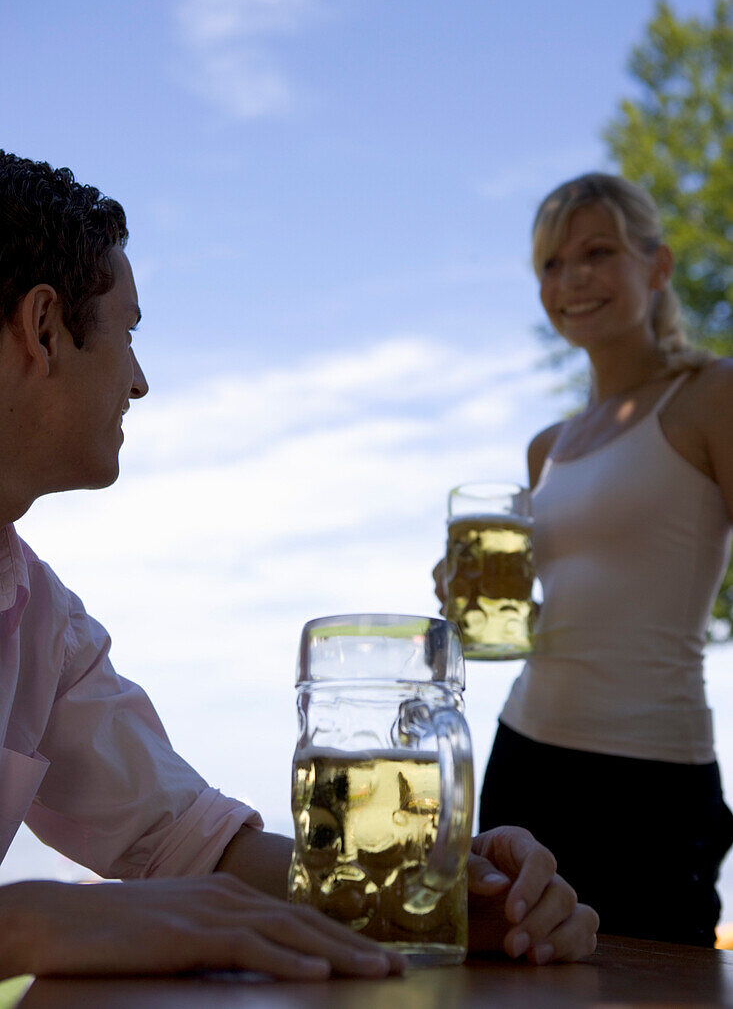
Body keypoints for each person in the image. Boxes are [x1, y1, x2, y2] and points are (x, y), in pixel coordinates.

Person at [0, 151, 598, 981]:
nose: (138, 381)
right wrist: (35, 922)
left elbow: (181, 838)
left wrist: (423, 895)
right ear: (41, 328)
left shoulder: (40, 623)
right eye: (129, 332)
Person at [438, 172, 732, 947]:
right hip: (524, 761)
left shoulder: (712, 395)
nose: (570, 280)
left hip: (653, 777)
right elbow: (547, 613)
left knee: (659, 986)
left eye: (596, 253)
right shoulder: (546, 448)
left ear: (657, 266)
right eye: (550, 265)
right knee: (500, 982)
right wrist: (464, 597)